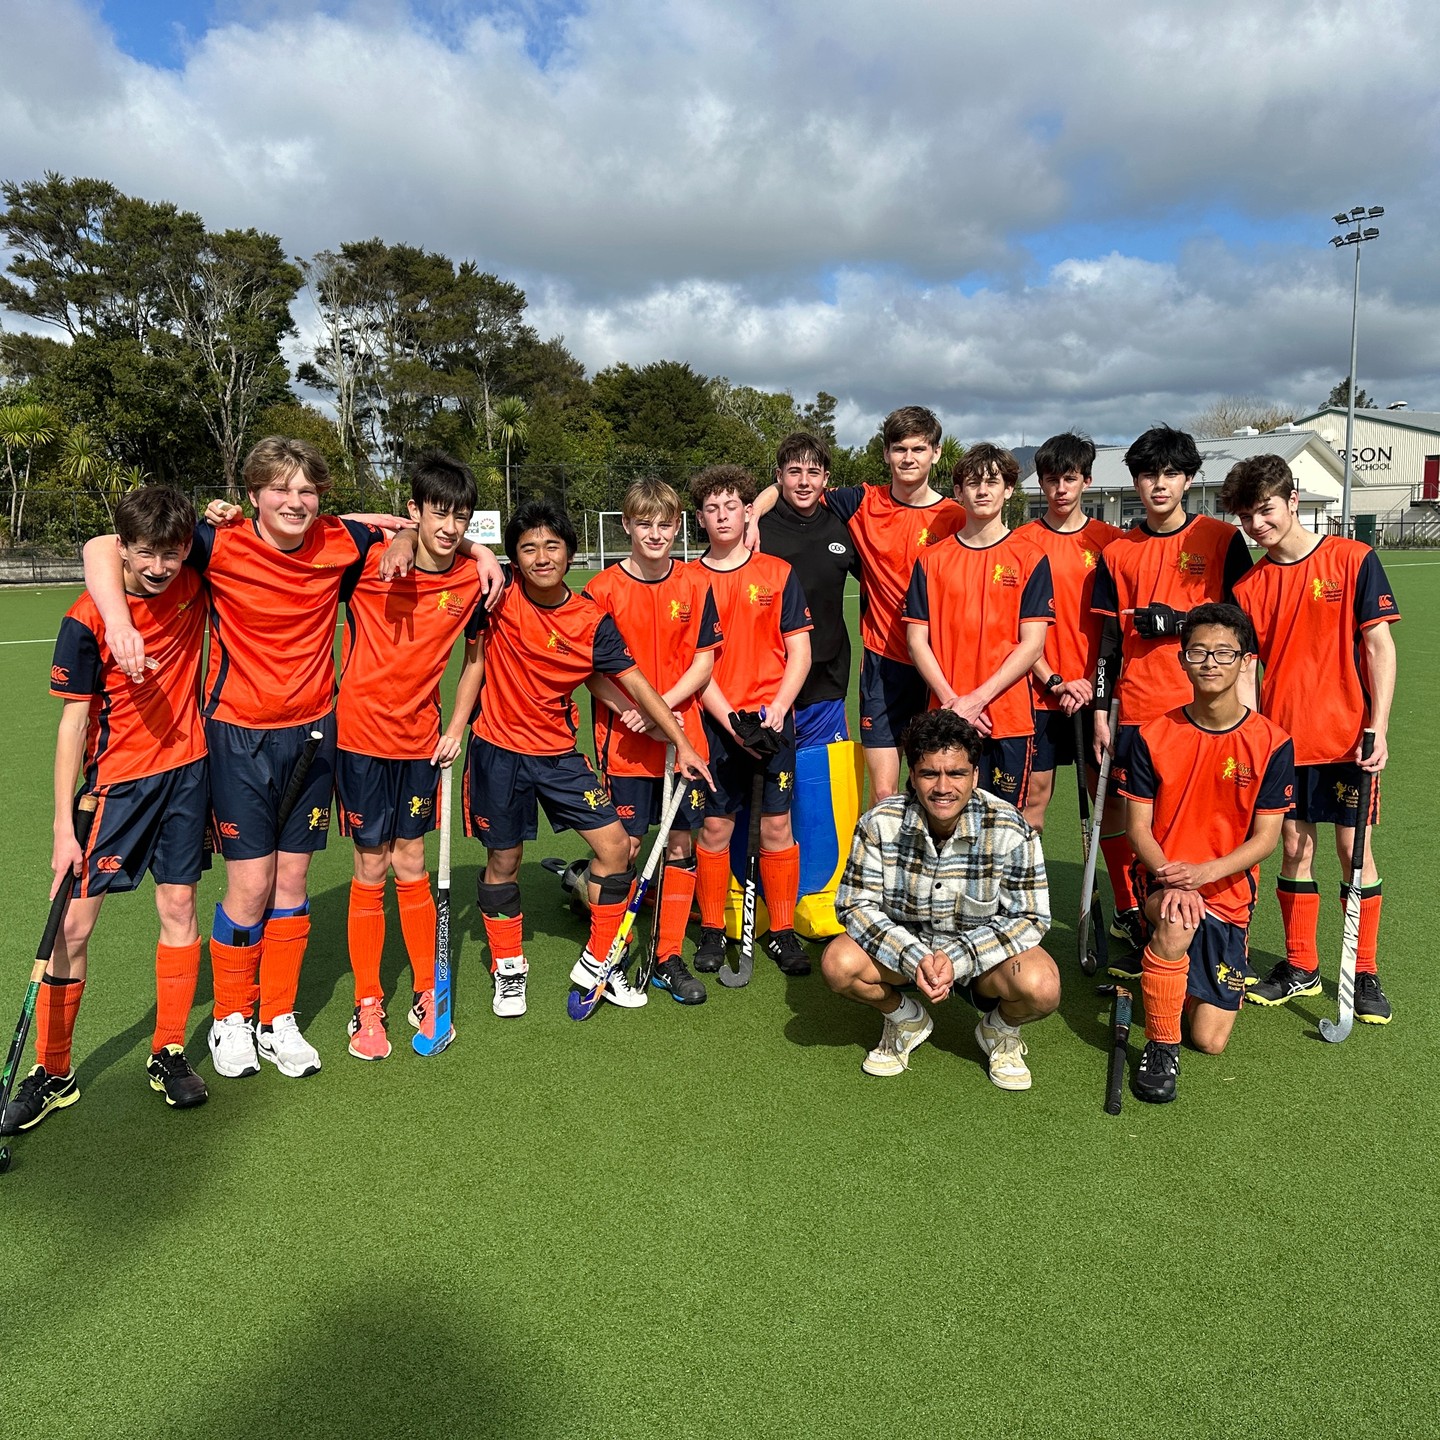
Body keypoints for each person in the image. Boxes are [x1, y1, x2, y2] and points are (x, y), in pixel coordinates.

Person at [81, 437, 504, 1080]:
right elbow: (104, 546)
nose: (295, 501)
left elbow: (423, 534)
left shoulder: (341, 538)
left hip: (313, 736)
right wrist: (117, 621)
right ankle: (231, 1017)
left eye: (306, 489)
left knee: (293, 884)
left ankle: (277, 1018)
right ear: (252, 496)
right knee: (249, 887)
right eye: (280, 489)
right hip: (236, 737)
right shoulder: (217, 541)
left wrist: (480, 550)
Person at [1, 488, 211, 1136]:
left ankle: (169, 1050)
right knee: (70, 930)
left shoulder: (194, 581)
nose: (157, 566)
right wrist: (64, 828)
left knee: (178, 908)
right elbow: (71, 728)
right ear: (123, 547)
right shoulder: (86, 617)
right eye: (145, 552)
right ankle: (53, 1071)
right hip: (112, 787)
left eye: (170, 553)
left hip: (186, 774)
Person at [463, 498, 711, 1016]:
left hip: (558, 756)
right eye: (527, 548)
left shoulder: (590, 620)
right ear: (513, 558)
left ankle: (599, 961)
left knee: (616, 846)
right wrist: (461, 546)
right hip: (497, 752)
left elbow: (637, 683)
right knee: (503, 860)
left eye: (551, 545)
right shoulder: (500, 594)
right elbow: (433, 539)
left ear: (570, 553)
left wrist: (682, 744)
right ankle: (508, 967)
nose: (540, 557)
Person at [1220, 454, 1399, 1022]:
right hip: (1284, 745)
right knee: (1294, 849)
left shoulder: (1354, 559)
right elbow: (1247, 671)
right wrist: (1248, 740)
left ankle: (1362, 970)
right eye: (1247, 516)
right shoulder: (1249, 587)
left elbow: (1379, 648)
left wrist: (1381, 726)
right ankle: (1301, 966)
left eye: (1266, 510)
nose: (1257, 526)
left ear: (1293, 500)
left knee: (1354, 852)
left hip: (1350, 739)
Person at [336, 452, 487, 1059]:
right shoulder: (367, 562)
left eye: (461, 516)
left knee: (413, 861)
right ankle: (367, 1003)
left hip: (421, 741)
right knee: (370, 867)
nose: (450, 526)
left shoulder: (476, 580)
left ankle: (427, 988)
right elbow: (322, 523)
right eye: (438, 512)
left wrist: (455, 724)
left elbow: (475, 661)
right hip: (359, 739)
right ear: (415, 511)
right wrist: (395, 534)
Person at [820, 710, 1057, 1090]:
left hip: (981, 958)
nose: (943, 787)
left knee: (1042, 986)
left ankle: (999, 1029)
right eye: (930, 773)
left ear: (975, 776)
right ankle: (903, 1016)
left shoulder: (1011, 827)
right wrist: (915, 957)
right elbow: (854, 906)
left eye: (957, 774)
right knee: (838, 964)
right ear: (912, 776)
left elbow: (1030, 916)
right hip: (905, 951)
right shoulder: (879, 823)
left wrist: (958, 956)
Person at [1090, 425, 1253, 972]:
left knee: (1205, 820)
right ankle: (1135, 913)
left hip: (1206, 712)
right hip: (1135, 709)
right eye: (1147, 475)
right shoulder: (1116, 552)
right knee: (1132, 819)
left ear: (1188, 479)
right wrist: (1098, 710)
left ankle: (1220, 929)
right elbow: (1108, 642)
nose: (1158, 485)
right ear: (1134, 481)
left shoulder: (1222, 540)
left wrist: (1179, 622)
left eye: (1169, 474)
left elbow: (1245, 625)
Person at [1120, 603, 1294, 1103]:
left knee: (1211, 1040)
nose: (1211, 662)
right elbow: (1138, 830)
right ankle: (1160, 1045)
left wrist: (1204, 875)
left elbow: (1265, 840)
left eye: (1224, 652)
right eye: (1198, 651)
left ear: (1245, 662)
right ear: (1182, 660)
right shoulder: (1152, 736)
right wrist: (1176, 880)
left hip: (1227, 891)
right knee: (1175, 921)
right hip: (1164, 877)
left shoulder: (1272, 743)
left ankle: (1165, 973)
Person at [749, 406, 965, 801]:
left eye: (919, 448)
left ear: (935, 453)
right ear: (886, 454)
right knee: (884, 792)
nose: (909, 458)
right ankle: (885, 862)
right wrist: (752, 517)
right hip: (884, 663)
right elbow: (793, 482)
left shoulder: (956, 516)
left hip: (943, 663)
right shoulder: (860, 502)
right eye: (899, 448)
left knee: (940, 784)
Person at [583, 477, 722, 1005]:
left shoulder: (694, 583)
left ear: (677, 526)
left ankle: (666, 956)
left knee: (681, 844)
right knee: (628, 847)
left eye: (666, 524)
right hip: (624, 739)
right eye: (645, 524)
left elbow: (704, 663)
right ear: (627, 526)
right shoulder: (602, 590)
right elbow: (588, 671)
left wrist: (658, 709)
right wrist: (630, 708)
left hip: (682, 738)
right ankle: (607, 952)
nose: (656, 533)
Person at [689, 464, 814, 977]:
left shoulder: (778, 573)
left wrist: (779, 708)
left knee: (776, 824)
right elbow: (695, 665)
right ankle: (714, 928)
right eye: (712, 509)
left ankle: (782, 930)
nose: (722, 516)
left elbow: (799, 652)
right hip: (715, 723)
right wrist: (730, 719)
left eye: (731, 506)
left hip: (772, 719)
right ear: (700, 519)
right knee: (716, 827)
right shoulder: (688, 580)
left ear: (748, 512)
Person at [904, 443, 1053, 811]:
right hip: (945, 718)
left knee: (1001, 829)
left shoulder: (1031, 557)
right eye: (972, 483)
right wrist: (954, 705)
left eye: (992, 481)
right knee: (942, 826)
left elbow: (1032, 645)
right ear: (958, 492)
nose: (982, 490)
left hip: (1008, 719)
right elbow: (916, 640)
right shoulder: (931, 560)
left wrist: (977, 700)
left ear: (1008, 489)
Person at [1014, 432, 1126, 836]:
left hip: (1097, 695)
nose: (1060, 490)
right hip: (1040, 691)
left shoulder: (1113, 544)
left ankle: (1123, 900)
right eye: (1051, 480)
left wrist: (1094, 688)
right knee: (1033, 797)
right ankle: (1029, 897)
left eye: (1070, 479)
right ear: (1040, 483)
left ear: (1087, 481)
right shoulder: (1021, 543)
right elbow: (1014, 627)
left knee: (1109, 801)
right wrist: (1055, 681)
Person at [756, 431, 859, 748]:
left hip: (827, 686)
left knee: (825, 796)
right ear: (779, 476)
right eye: (794, 472)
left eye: (813, 472)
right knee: (772, 796)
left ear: (825, 478)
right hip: (768, 687)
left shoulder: (843, 525)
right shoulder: (756, 530)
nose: (804, 482)